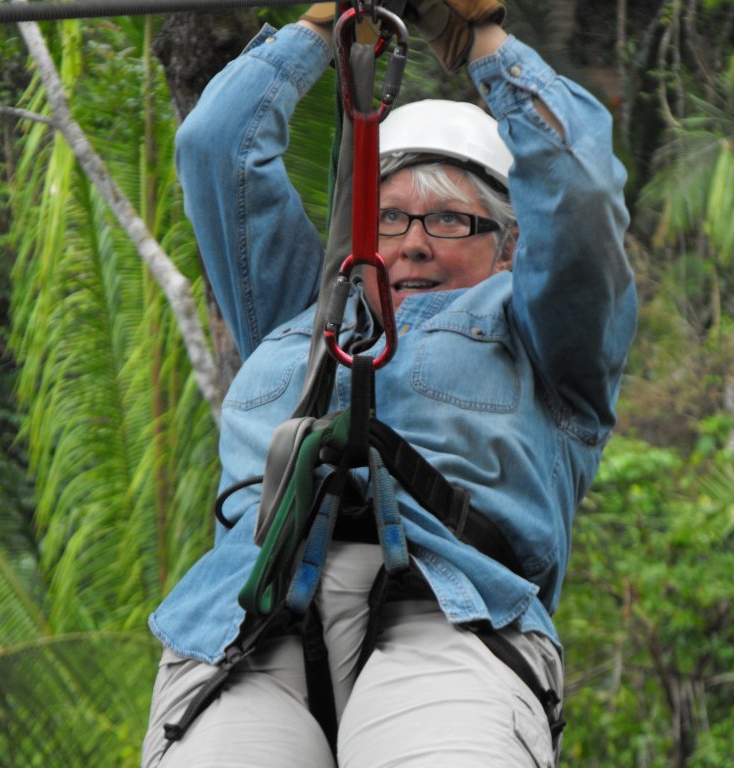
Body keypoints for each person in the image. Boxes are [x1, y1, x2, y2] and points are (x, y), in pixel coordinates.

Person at [142, 1, 637, 765]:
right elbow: (216, 149)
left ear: (510, 248)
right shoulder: (302, 314)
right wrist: (317, 32)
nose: (409, 246)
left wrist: (483, 42)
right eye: (389, 220)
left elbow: (579, 193)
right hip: (247, 623)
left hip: (452, 617)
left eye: (449, 221)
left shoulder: (542, 332)